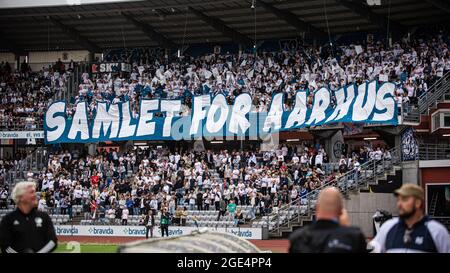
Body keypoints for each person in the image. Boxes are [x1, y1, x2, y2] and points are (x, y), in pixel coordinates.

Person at [369, 184, 450, 253]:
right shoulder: (388, 227)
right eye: (398, 200)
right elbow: (373, 249)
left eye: (404, 200)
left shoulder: (437, 231)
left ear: (418, 203)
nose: (399, 204)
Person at [289, 187, 367, 253]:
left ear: (316, 208)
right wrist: (347, 230)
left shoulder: (298, 238)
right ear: (341, 210)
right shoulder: (354, 237)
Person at [0, 182, 58, 253]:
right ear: (20, 197)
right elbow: (5, 246)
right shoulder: (8, 220)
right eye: (31, 192)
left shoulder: (44, 217)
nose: (35, 195)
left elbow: (52, 241)